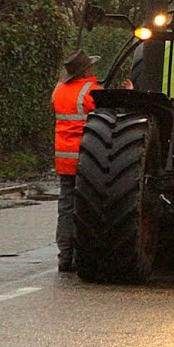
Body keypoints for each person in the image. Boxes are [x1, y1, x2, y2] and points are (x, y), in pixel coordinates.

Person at [51, 49, 101, 272]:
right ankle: (83, 255)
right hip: (87, 159)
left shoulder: (58, 91)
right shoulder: (91, 91)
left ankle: (65, 256)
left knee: (66, 207)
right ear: (86, 70)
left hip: (63, 158)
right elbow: (109, 114)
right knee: (87, 208)